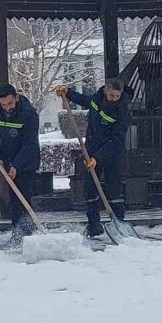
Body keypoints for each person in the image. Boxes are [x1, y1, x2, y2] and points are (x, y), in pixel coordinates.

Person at [55, 78, 133, 239]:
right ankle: (94, 226)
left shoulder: (122, 111)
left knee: (115, 191)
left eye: (117, 96)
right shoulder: (96, 100)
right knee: (90, 190)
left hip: (112, 155)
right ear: (105, 91)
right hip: (90, 151)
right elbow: (83, 100)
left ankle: (119, 223)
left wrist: (98, 157)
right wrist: (67, 92)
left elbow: (117, 141)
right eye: (112, 95)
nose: (114, 98)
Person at [0, 84, 40, 244]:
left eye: (9, 103)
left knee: (24, 198)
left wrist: (16, 165)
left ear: (16, 98)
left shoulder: (28, 114)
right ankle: (18, 235)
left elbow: (29, 145)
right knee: (14, 201)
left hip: (26, 163)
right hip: (7, 162)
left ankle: (26, 234)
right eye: (4, 104)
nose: (7, 108)